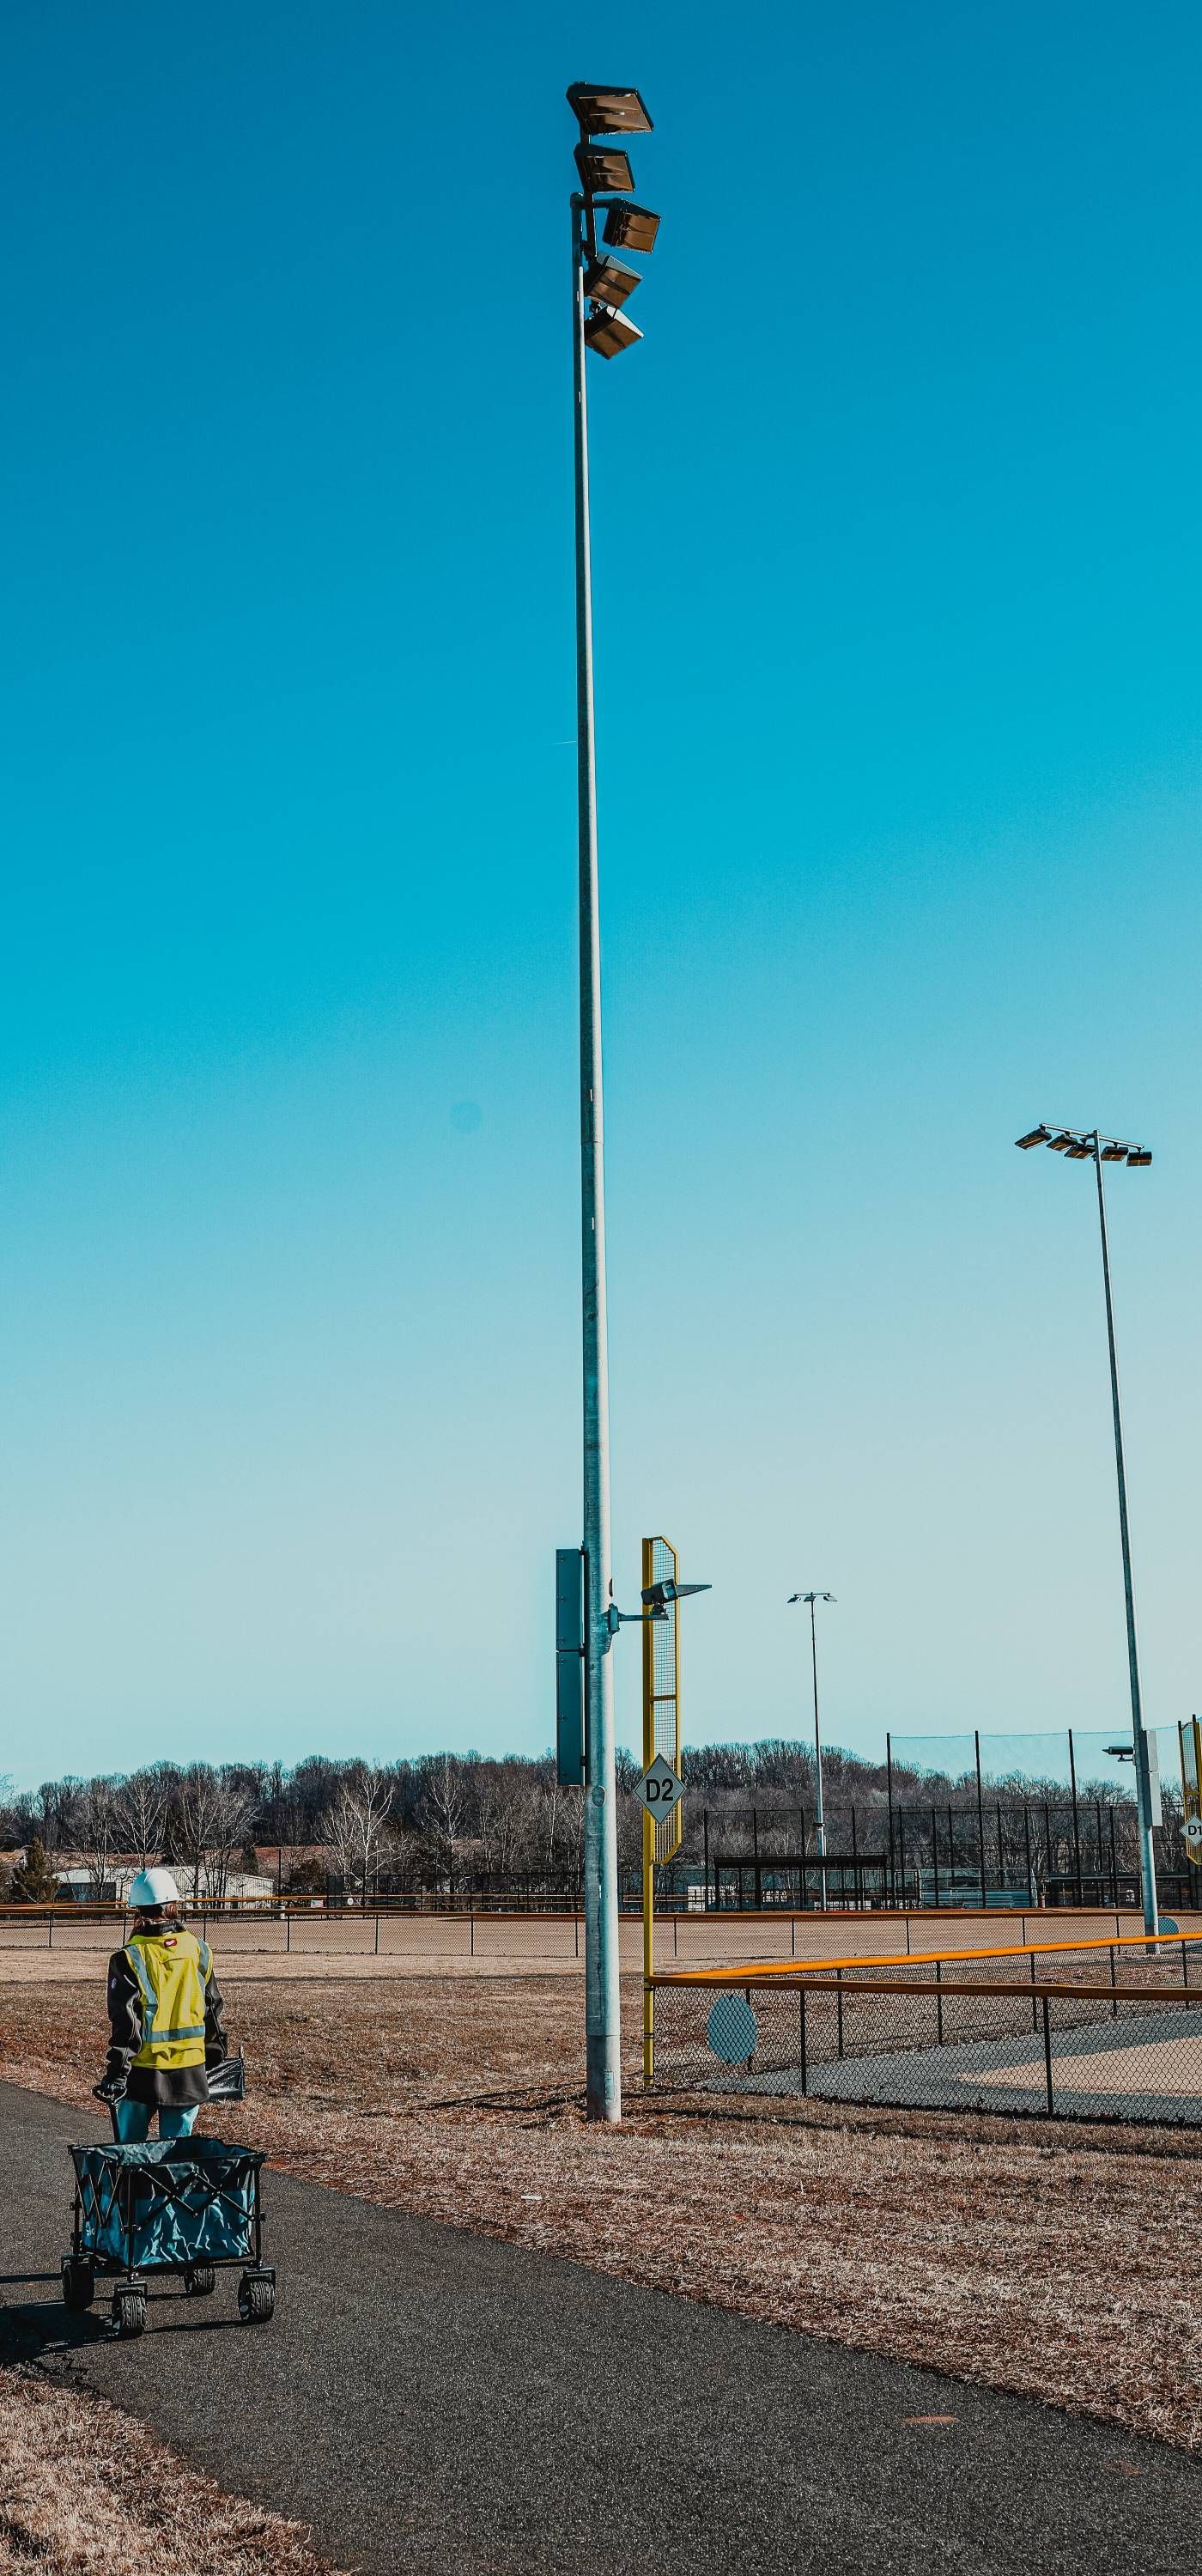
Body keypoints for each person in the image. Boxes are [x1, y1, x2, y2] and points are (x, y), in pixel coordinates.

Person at [94, 1867, 229, 2142]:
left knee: (130, 2156)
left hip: (143, 2073)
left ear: (137, 1909)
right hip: (190, 2071)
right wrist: (214, 2054)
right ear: (172, 1905)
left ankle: (134, 2188)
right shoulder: (198, 1949)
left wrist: (117, 2073)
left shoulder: (128, 1957)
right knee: (175, 2160)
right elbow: (212, 2009)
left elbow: (126, 2024)